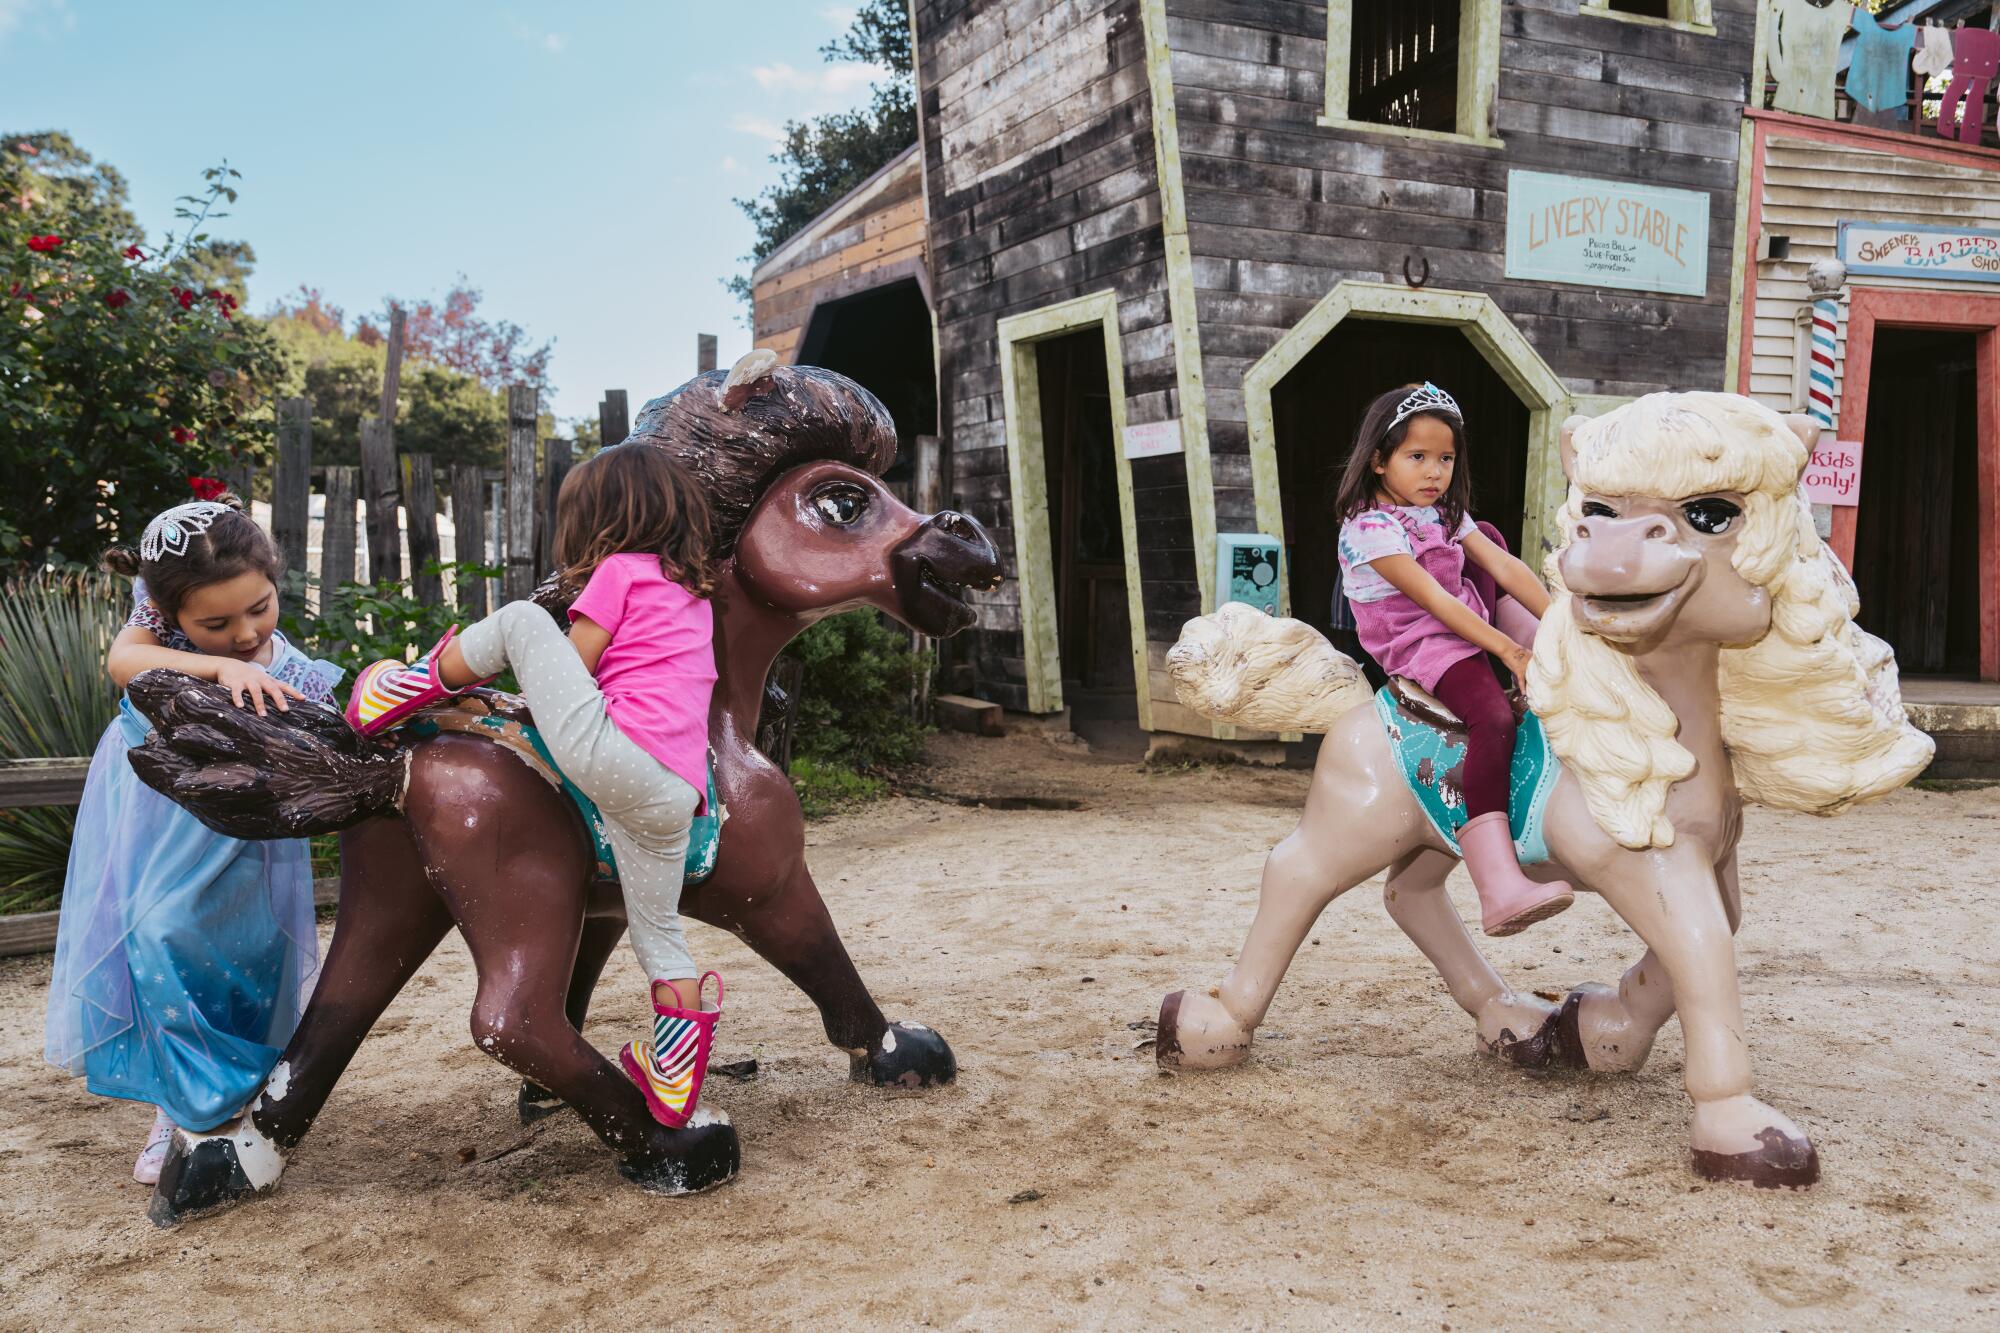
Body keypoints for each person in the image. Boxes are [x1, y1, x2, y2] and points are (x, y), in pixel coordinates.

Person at [345, 444, 723, 1129]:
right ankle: (673, 1081)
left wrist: (512, 691)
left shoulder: (618, 573)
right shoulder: (692, 593)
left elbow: (571, 665)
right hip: (677, 793)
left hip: (618, 756)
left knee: (521, 621)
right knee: (661, 935)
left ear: (603, 519)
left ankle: (394, 693)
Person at [44, 493, 339, 1184]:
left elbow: (338, 718)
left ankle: (232, 1093)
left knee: (246, 947)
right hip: (156, 809)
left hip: (242, 829)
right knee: (158, 931)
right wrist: (217, 668)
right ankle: (183, 1107)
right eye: (215, 623)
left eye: (260, 607)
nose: (244, 633)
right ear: (169, 611)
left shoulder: (287, 665)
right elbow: (123, 661)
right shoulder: (158, 634)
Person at [1332, 382, 1573, 936]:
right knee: (1490, 719)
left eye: (1445, 458)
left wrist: (1564, 624)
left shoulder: (1443, 513)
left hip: (1465, 620)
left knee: (1486, 536)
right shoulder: (1369, 528)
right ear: (1377, 461)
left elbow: (1506, 569)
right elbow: (1433, 601)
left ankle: (1538, 642)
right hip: (1424, 641)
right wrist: (1509, 649)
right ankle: (1498, 884)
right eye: (1416, 457)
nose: (1434, 472)